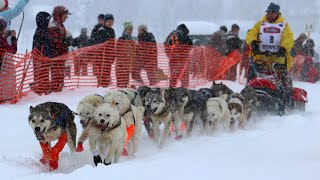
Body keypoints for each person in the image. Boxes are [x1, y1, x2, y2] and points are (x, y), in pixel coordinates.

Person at [246, 2, 294, 75]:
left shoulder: (283, 25)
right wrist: (253, 42)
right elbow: (251, 34)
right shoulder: (260, 24)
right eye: (268, 12)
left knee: (280, 78)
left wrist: (284, 48)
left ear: (277, 13)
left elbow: (288, 37)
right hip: (260, 56)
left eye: (272, 13)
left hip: (278, 57)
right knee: (254, 75)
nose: (270, 15)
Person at [48, 6, 72, 92]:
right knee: (56, 76)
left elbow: (60, 41)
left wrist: (68, 40)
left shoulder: (60, 25)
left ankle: (59, 91)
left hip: (61, 57)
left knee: (60, 76)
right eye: (65, 15)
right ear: (59, 15)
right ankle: (56, 93)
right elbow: (55, 43)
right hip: (56, 58)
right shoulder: (53, 26)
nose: (67, 17)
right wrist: (65, 41)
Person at [31, 12, 53, 95]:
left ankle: (43, 89)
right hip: (41, 59)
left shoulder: (44, 31)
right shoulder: (40, 32)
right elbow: (39, 47)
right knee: (41, 75)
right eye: (47, 20)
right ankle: (41, 90)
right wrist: (45, 55)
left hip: (44, 59)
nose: (49, 22)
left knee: (45, 75)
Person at [95, 14, 116, 87]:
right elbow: (98, 44)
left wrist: (113, 54)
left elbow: (113, 44)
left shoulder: (112, 30)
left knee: (107, 72)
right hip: (102, 56)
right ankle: (101, 86)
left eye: (112, 21)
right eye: (109, 21)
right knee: (101, 72)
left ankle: (105, 85)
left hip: (109, 55)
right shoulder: (101, 30)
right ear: (105, 21)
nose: (110, 23)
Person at [116, 21, 136, 88]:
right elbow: (117, 51)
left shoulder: (132, 40)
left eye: (131, 29)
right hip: (121, 65)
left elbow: (134, 52)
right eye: (129, 29)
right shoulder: (121, 39)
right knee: (120, 83)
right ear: (125, 29)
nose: (131, 31)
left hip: (128, 65)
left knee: (125, 83)